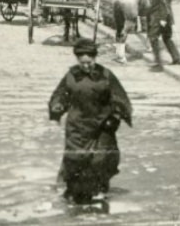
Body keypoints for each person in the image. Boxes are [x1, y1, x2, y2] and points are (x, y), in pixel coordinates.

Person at [48, 38, 132, 205]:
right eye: (82, 63)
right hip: (77, 125)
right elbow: (60, 95)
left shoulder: (106, 75)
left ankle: (100, 189)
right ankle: (74, 190)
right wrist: (57, 106)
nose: (86, 66)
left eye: (90, 62)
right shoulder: (71, 75)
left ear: (95, 58)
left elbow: (120, 97)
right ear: (78, 60)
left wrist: (115, 115)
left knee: (101, 159)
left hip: (102, 124)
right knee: (76, 159)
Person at [146, 0, 180, 68]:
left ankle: (158, 62)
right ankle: (176, 58)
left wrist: (163, 19)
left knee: (153, 37)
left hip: (161, 17)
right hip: (162, 17)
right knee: (166, 38)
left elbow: (164, 3)